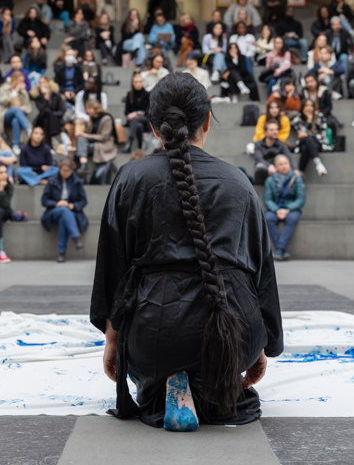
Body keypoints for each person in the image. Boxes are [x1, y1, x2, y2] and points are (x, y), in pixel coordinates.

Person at [92, 72, 282, 430]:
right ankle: (212, 390)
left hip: (156, 331)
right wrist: (257, 346)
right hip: (233, 332)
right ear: (207, 120)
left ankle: (167, 386)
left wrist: (113, 341)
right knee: (222, 364)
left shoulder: (131, 178)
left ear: (154, 126)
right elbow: (260, 275)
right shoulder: (238, 182)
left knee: (164, 354)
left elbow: (113, 271)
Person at [41, 157, 87, 263]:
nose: (65, 173)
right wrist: (57, 203)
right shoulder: (52, 180)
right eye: (63, 170)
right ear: (59, 169)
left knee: (64, 219)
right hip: (54, 211)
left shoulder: (77, 181)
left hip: (72, 212)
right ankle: (75, 236)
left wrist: (72, 206)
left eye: (68, 171)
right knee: (63, 210)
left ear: (72, 170)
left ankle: (61, 253)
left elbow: (83, 201)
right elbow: (44, 200)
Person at [263, 154, 305, 261]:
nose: (284, 166)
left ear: (289, 164)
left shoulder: (297, 179)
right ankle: (281, 250)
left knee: (292, 218)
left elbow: (301, 199)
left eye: (286, 163)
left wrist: (288, 209)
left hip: (291, 209)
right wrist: (277, 210)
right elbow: (267, 200)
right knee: (268, 218)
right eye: (281, 164)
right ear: (276, 167)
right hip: (275, 208)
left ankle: (279, 249)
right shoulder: (270, 180)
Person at [75, 100, 118, 177]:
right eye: (86, 109)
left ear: (95, 108)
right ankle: (83, 164)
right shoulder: (92, 118)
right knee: (81, 139)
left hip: (104, 144)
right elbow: (87, 131)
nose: (87, 111)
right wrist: (82, 122)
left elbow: (104, 137)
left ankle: (83, 165)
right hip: (95, 142)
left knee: (80, 146)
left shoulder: (106, 118)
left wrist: (87, 136)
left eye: (89, 108)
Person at [290, 98, 330, 177]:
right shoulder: (298, 119)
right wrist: (308, 121)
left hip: (318, 142)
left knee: (306, 148)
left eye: (311, 106)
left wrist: (312, 123)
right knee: (307, 139)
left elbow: (322, 134)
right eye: (306, 106)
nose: (309, 108)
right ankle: (318, 164)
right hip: (303, 142)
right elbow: (301, 134)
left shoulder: (319, 116)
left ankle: (300, 173)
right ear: (302, 107)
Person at [31, 76, 69, 150]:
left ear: (48, 83)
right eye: (40, 83)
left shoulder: (56, 95)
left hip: (53, 120)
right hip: (40, 119)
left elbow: (62, 111)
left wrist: (52, 115)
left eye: (44, 82)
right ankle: (61, 133)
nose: (42, 84)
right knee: (47, 111)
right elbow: (42, 110)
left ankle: (49, 147)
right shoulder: (38, 96)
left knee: (47, 121)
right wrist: (45, 97)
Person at [254, 119, 293, 186]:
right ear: (265, 132)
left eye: (276, 129)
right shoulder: (258, 144)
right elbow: (259, 159)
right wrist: (269, 166)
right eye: (272, 130)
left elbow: (289, 158)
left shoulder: (282, 144)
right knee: (259, 167)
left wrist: (296, 170)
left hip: (278, 171)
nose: (275, 132)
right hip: (264, 172)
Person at [123, 72, 150, 153]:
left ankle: (129, 143)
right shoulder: (129, 94)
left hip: (145, 120)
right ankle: (140, 147)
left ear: (143, 82)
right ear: (133, 83)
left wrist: (135, 113)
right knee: (138, 125)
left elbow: (147, 111)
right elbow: (126, 111)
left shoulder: (147, 94)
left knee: (136, 119)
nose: (138, 84)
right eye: (136, 82)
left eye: (140, 82)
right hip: (134, 121)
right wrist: (129, 115)